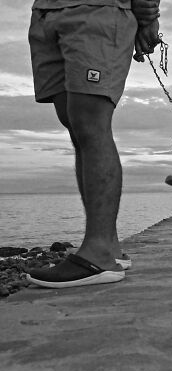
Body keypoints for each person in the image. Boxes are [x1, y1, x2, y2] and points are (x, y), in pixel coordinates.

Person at [27, 0, 161, 288]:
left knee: (91, 122)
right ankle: (108, 245)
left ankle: (98, 253)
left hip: (97, 9)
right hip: (46, 12)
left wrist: (148, 12)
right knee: (75, 125)